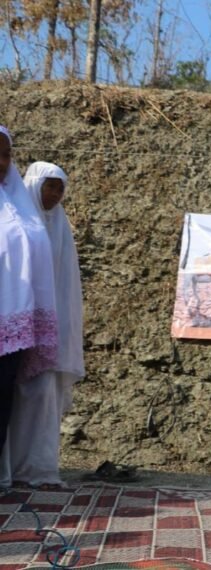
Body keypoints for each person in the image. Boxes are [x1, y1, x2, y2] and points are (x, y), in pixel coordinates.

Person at [0, 162, 84, 490]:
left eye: (60, 187)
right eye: (50, 186)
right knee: (13, 399)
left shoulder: (58, 227)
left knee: (42, 398)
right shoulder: (19, 224)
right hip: (15, 325)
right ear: (33, 185)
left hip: (48, 332)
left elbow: (66, 287)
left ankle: (39, 469)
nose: (55, 193)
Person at [0, 126, 58, 479]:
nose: (2, 162)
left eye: (6, 154)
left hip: (12, 326)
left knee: (2, 401)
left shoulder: (18, 204)